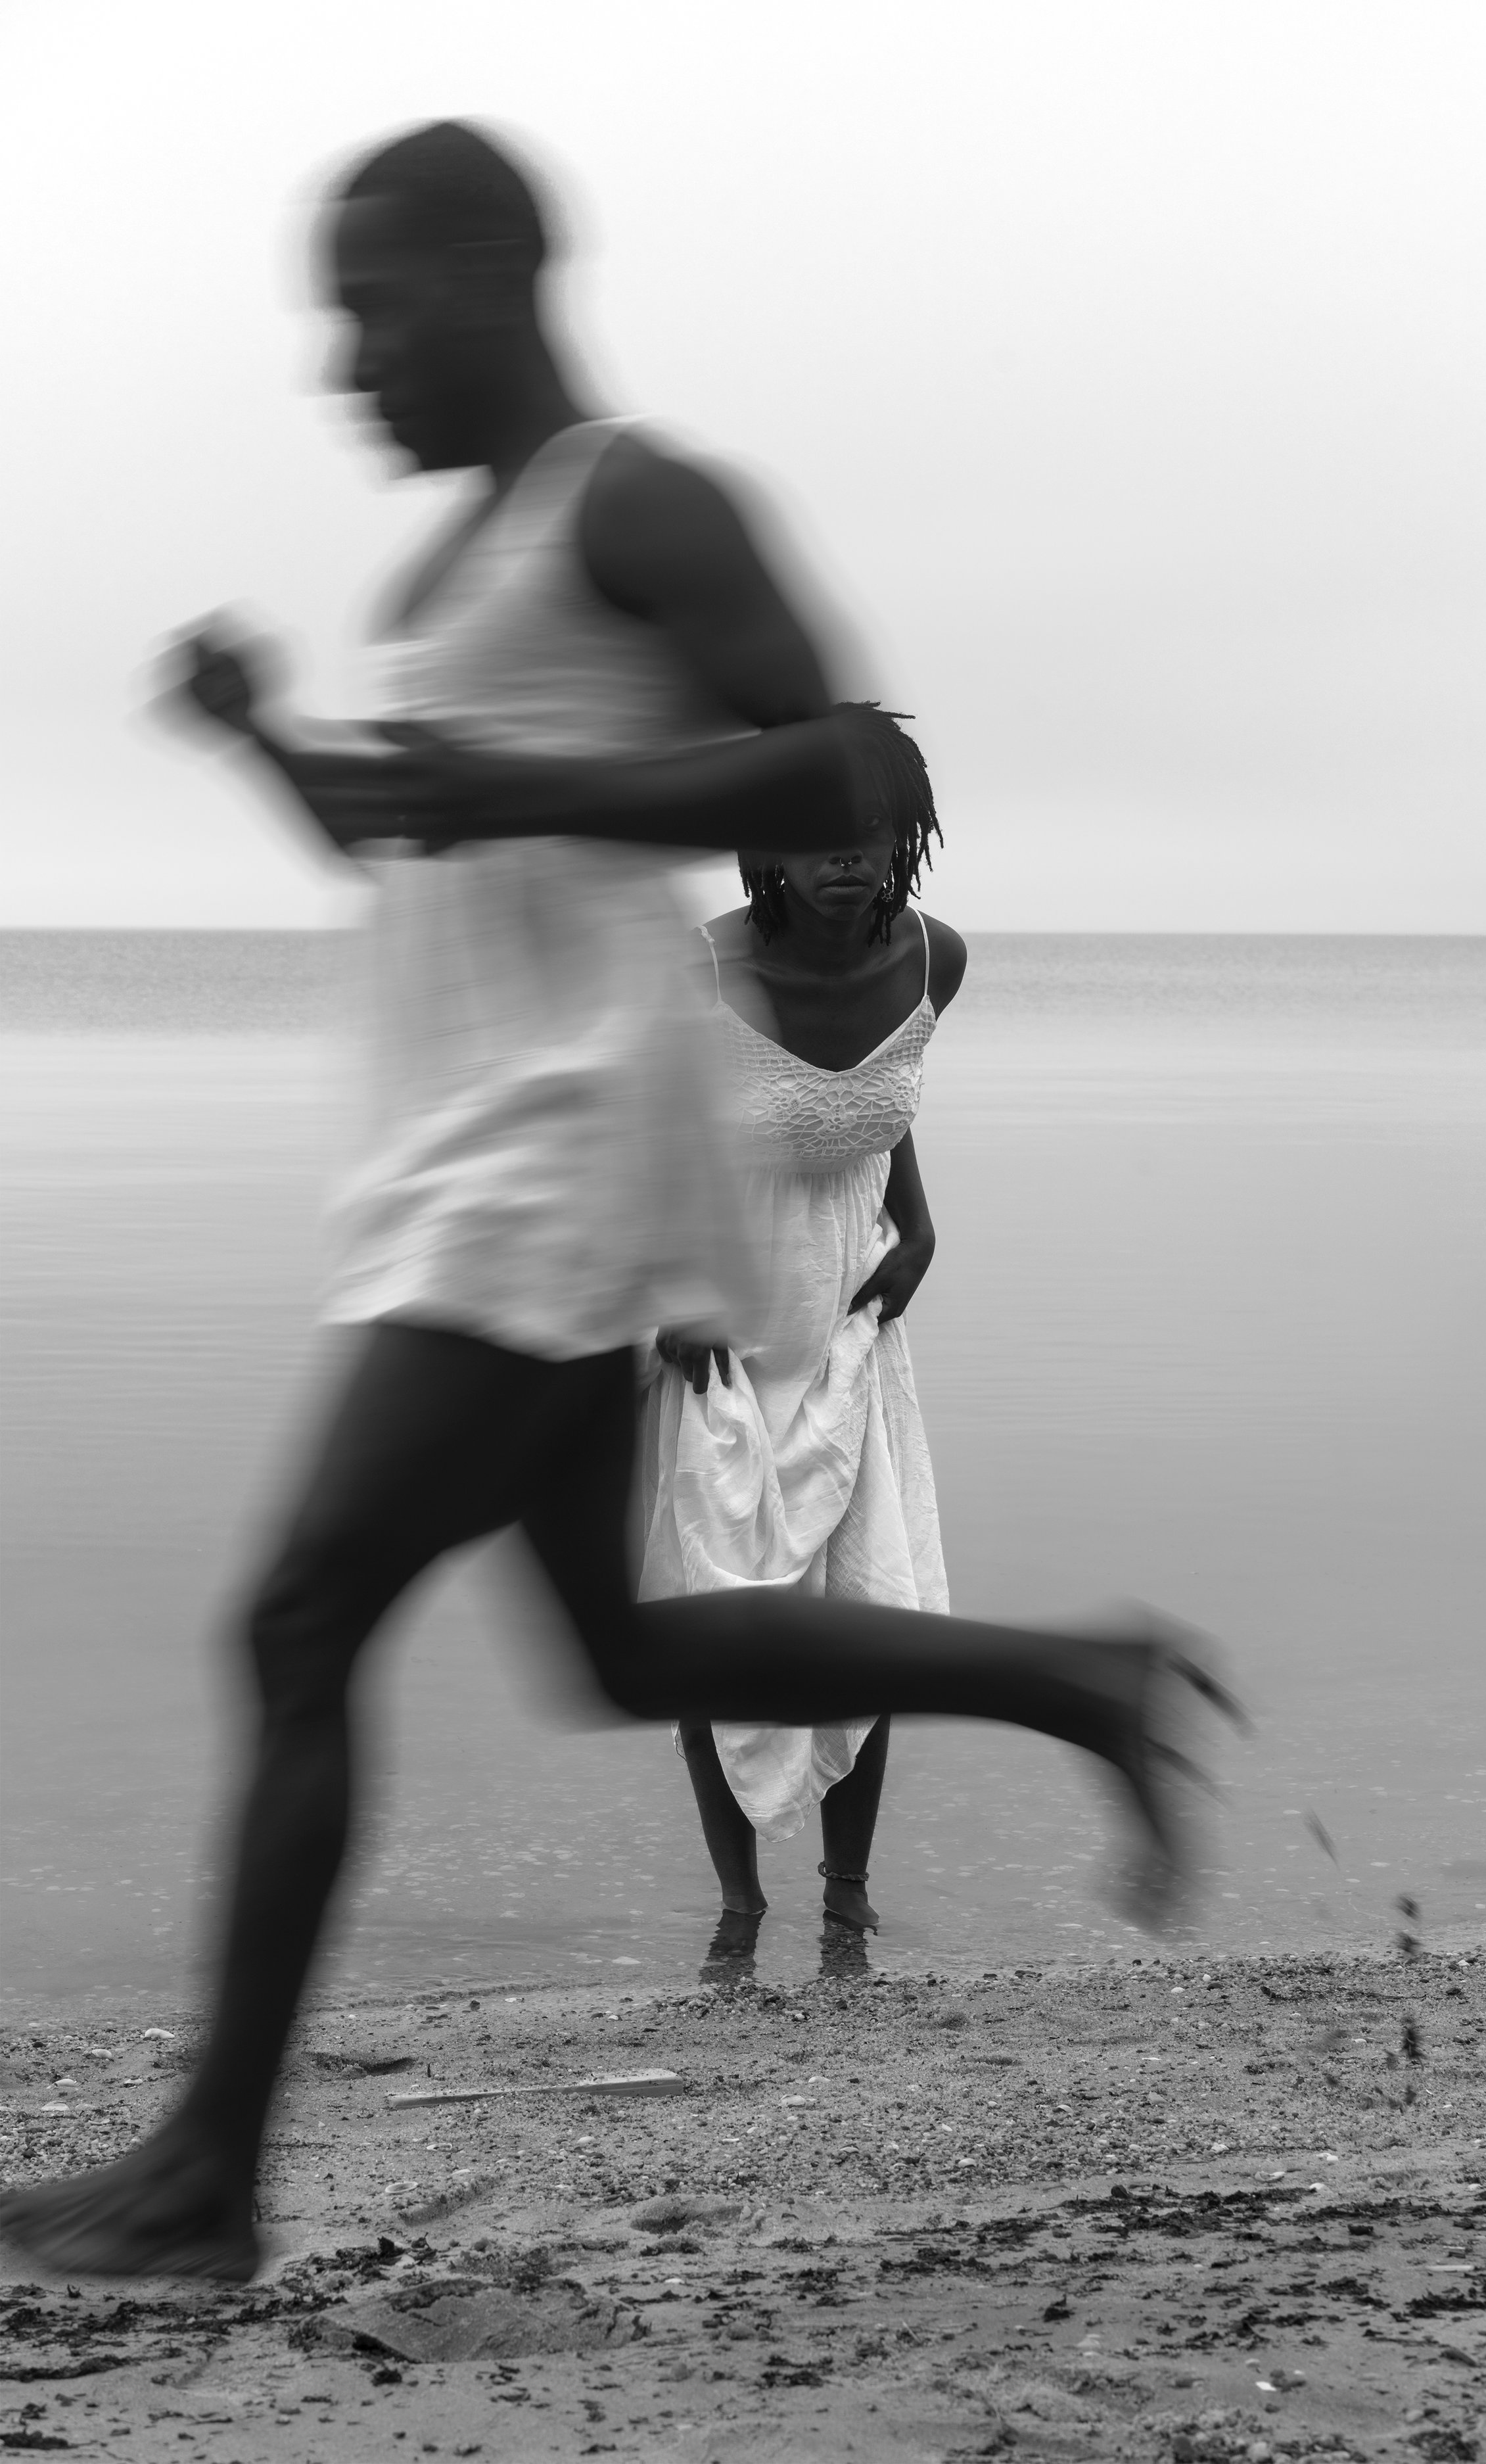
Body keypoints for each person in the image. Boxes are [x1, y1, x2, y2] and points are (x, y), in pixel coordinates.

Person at [0, 120, 1238, 2287]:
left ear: (493, 271)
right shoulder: (469, 558)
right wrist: (271, 741)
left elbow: (849, 767)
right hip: (472, 1145)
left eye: (371, 304)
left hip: (560, 1150)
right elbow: (437, 840)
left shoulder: (640, 501)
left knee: (300, 1617)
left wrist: (519, 782)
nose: (342, 361)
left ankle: (204, 2169)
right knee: (623, 1646)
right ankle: (1078, 1672)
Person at [639, 708, 961, 1949]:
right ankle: (736, 1904)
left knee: (862, 1611)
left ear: (904, 843)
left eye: (869, 840)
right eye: (815, 840)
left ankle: (848, 1894)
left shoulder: (938, 960)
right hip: (718, 1315)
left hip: (854, 1310)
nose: (846, 864)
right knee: (712, 1605)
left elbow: (890, 1099)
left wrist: (921, 1230)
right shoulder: (703, 970)